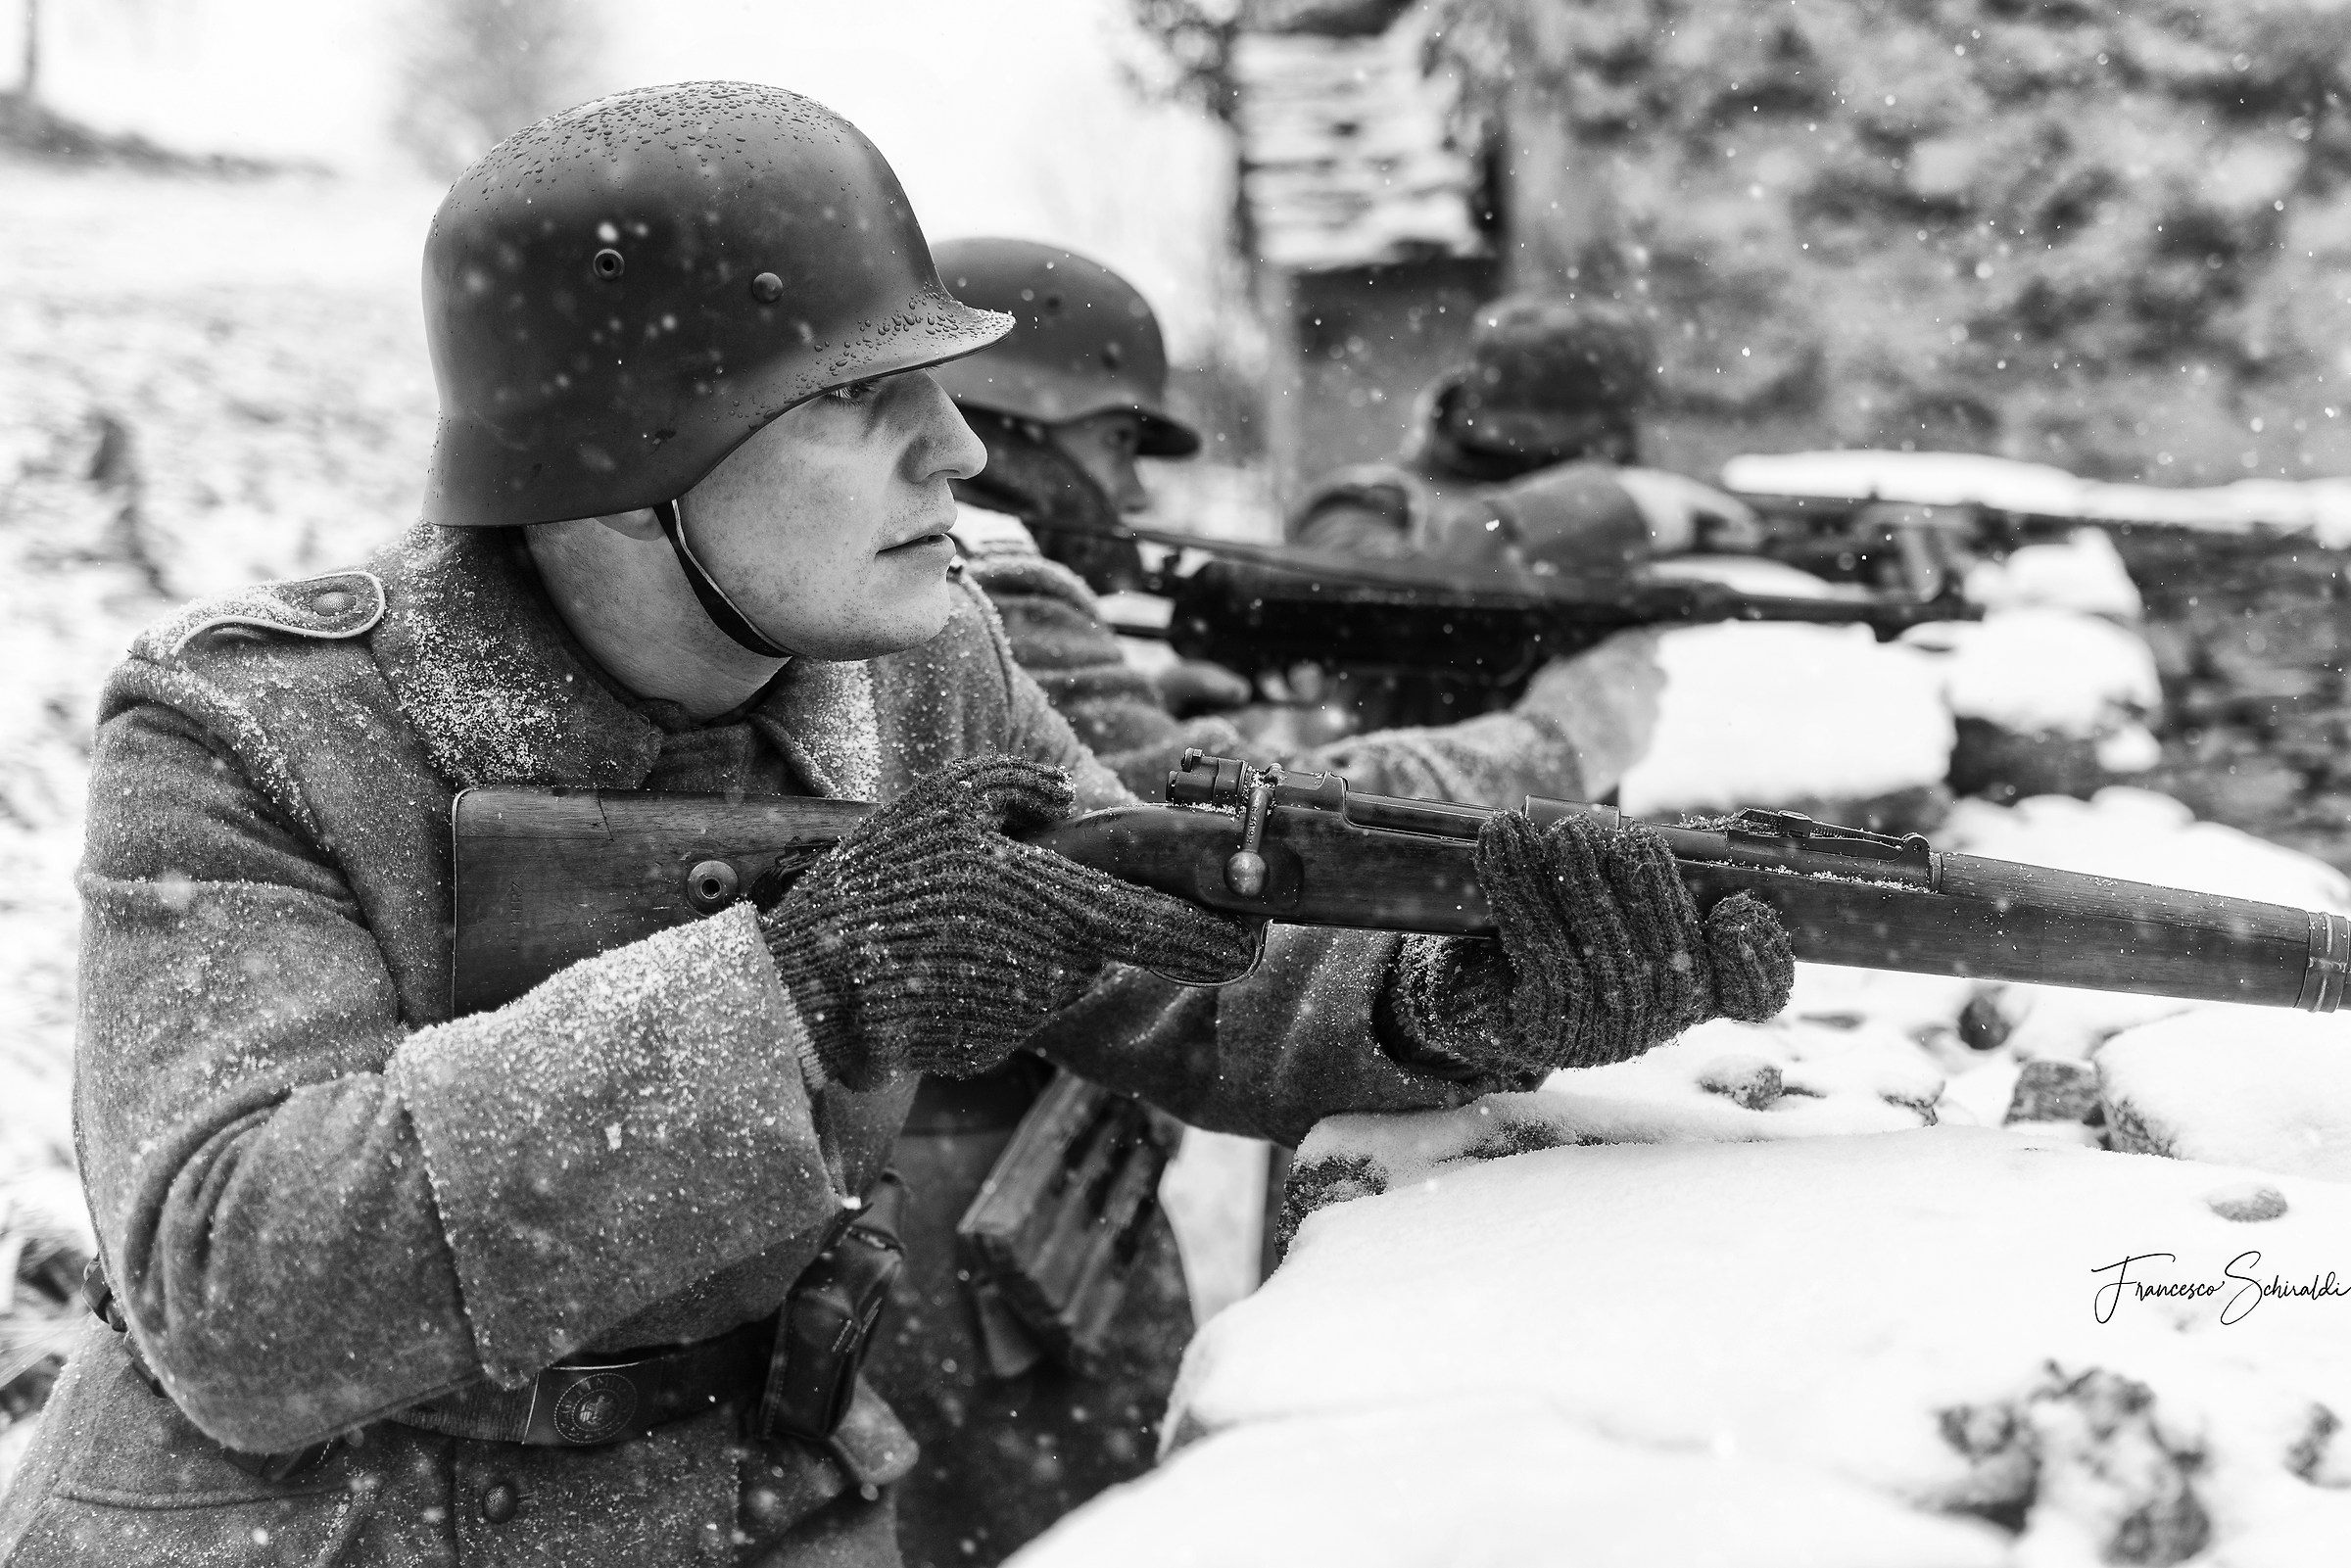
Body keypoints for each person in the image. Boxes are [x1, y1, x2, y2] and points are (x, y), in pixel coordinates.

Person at [0, 85, 1793, 1568]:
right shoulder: (258, 730)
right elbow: (236, 1290)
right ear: (621, 466)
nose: (963, 452)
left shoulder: (919, 664)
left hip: (742, 1495)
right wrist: (802, 990)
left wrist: (1451, 992)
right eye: (863, 398)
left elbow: (1182, 962)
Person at [868, 239, 1671, 1568]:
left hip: (994, 1190)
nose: (1133, 489)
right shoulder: (976, 584)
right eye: (1116, 442)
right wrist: (1558, 741)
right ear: (1021, 419)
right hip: (963, 1225)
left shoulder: (952, 583)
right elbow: (1219, 843)